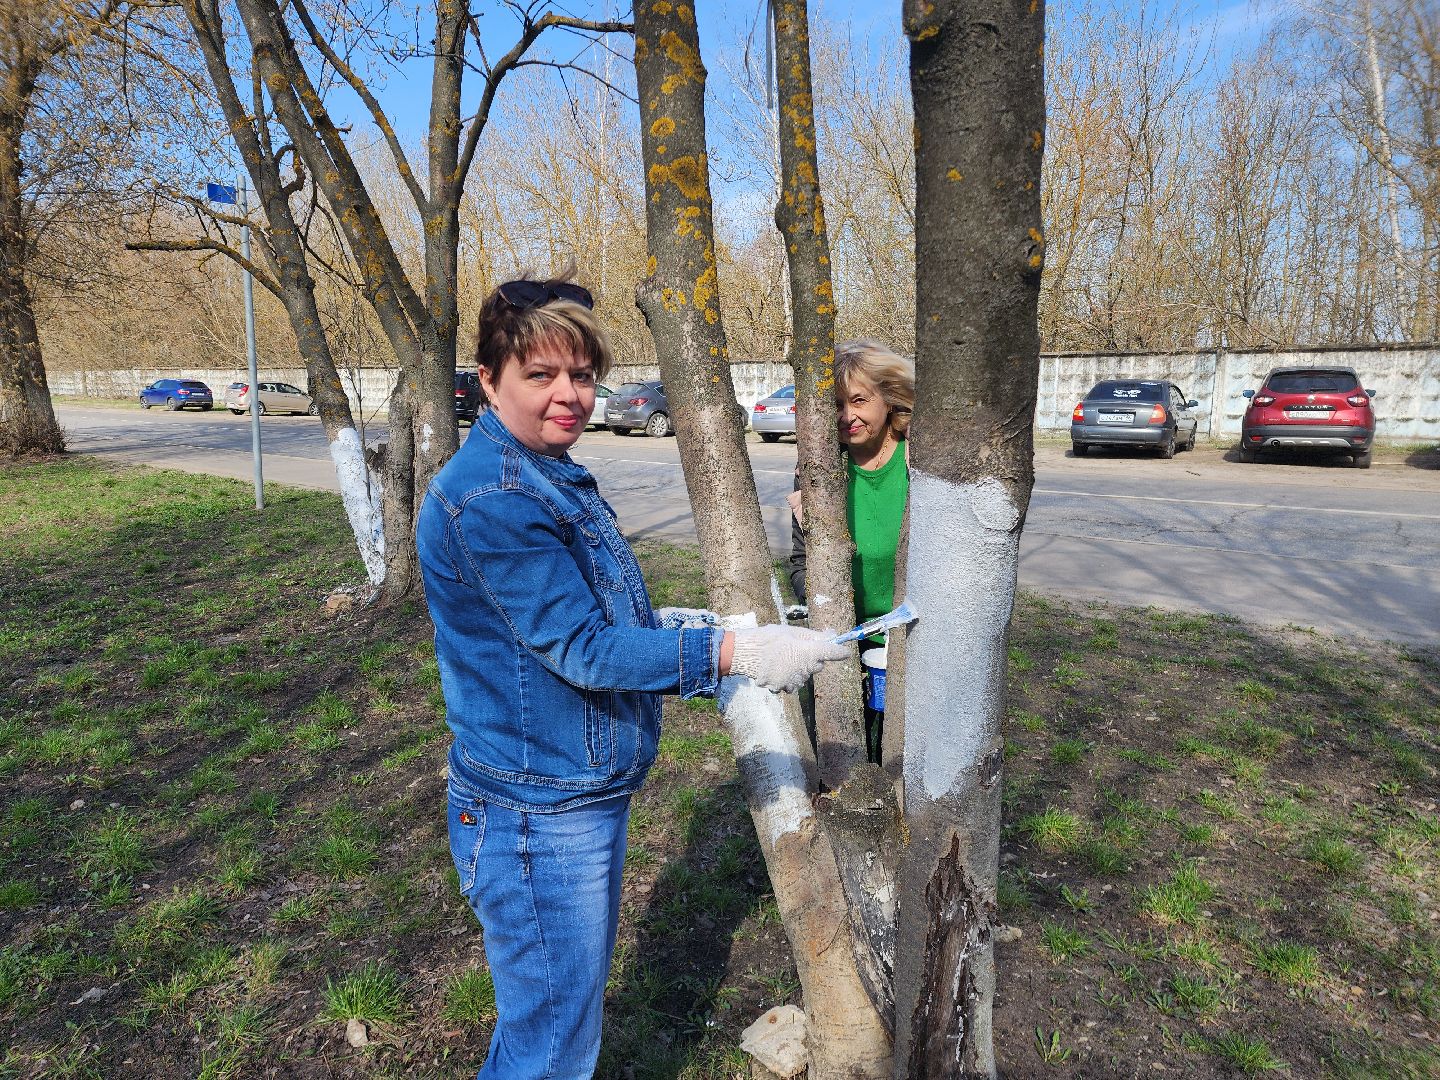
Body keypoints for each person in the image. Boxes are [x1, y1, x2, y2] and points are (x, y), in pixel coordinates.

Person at [416, 272, 847, 1080]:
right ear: (489, 381)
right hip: (535, 816)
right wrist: (729, 654)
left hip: (561, 796)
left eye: (582, 374)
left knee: (548, 1028)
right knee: (551, 1049)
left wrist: (700, 628)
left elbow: (596, 619)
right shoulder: (496, 498)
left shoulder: (545, 471)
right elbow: (583, 649)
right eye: (540, 375)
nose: (568, 395)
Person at [787, 339, 914, 762]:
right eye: (836, 404)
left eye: (859, 400)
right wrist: (825, 603)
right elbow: (800, 566)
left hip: (914, 643)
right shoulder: (819, 474)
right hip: (842, 647)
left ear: (890, 399)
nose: (847, 416)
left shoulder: (920, 463)